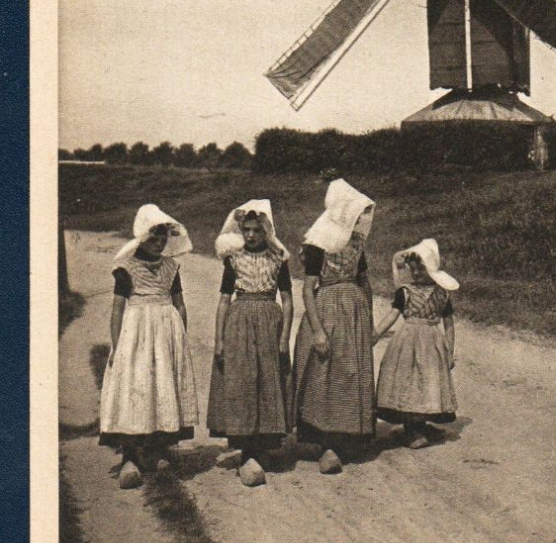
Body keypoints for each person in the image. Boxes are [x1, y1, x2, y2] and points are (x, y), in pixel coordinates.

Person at [99, 204, 199, 489]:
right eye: (153, 236)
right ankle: (130, 456)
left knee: (162, 386)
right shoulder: (126, 268)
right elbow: (118, 311)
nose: (159, 241)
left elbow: (180, 305)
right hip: (137, 336)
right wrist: (118, 348)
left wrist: (180, 340)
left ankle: (156, 449)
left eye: (163, 236)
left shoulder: (171, 267)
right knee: (136, 387)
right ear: (142, 236)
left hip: (166, 335)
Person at [206, 200, 293, 487]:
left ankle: (263, 445)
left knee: (268, 380)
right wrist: (219, 339)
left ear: (267, 230)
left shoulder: (278, 258)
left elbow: (288, 300)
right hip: (239, 321)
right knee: (243, 381)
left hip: (269, 320)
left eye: (257, 230)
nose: (252, 236)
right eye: (247, 230)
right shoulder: (233, 260)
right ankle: (246, 450)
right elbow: (223, 300)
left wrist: (284, 337)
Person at [292, 179, 376, 474]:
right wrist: (317, 330)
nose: (360, 219)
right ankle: (326, 443)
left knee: (349, 373)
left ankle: (348, 435)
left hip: (353, 311)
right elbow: (307, 289)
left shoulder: (356, 243)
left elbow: (364, 281)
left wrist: (369, 320)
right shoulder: (319, 243)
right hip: (326, 308)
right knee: (325, 373)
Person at [373, 238, 459, 450]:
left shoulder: (442, 293)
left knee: (428, 382)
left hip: (432, 342)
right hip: (408, 341)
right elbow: (393, 315)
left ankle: (422, 423)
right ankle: (410, 427)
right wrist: (375, 334)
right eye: (414, 269)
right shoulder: (405, 292)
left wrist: (449, 350)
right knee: (408, 381)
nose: (417, 273)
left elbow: (448, 323)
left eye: (422, 268)